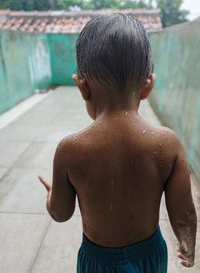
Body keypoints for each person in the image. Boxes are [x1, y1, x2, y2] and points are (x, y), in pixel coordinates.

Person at [39, 14, 197, 272]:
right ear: (148, 86)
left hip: (97, 262)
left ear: (82, 87)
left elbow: (60, 213)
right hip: (149, 256)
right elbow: (184, 213)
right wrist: (188, 246)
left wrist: (49, 196)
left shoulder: (70, 150)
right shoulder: (167, 144)